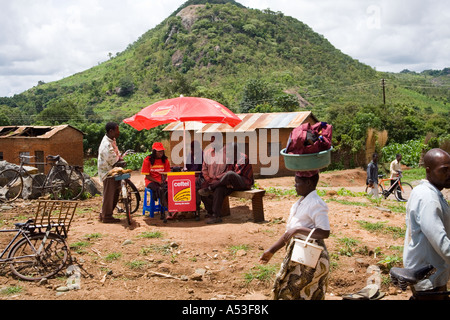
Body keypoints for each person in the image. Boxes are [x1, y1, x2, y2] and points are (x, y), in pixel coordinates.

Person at [260, 173, 330, 300]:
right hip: (299, 254)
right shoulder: (300, 203)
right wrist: (271, 251)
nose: (295, 185)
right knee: (293, 292)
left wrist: (298, 229)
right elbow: (289, 233)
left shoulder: (316, 203)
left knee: (290, 292)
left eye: (297, 182)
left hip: (311, 258)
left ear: (308, 183)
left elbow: (324, 232)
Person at [403, 148, 450, 300]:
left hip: (429, 269)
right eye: (444, 170)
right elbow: (439, 239)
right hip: (429, 274)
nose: (449, 174)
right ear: (429, 171)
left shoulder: (424, 191)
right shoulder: (429, 198)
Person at [200, 142, 254, 224]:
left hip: (243, 183)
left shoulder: (243, 158)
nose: (227, 154)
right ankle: (216, 215)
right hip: (232, 184)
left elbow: (235, 173)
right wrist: (218, 180)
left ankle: (211, 187)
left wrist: (222, 181)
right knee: (219, 189)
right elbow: (225, 173)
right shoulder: (229, 159)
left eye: (228, 152)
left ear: (235, 151)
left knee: (230, 174)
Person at [97, 122, 124, 223]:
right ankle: (106, 216)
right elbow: (113, 160)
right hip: (108, 172)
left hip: (112, 170)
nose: (118, 132)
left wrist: (120, 157)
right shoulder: (106, 144)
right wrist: (120, 161)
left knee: (114, 193)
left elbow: (116, 153)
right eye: (117, 130)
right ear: (111, 131)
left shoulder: (112, 140)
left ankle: (103, 214)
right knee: (110, 195)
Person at [141, 142, 171, 209]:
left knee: (169, 189)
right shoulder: (147, 160)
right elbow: (147, 176)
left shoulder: (165, 160)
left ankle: (170, 206)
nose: (161, 153)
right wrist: (157, 181)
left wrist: (162, 180)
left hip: (161, 180)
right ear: (154, 152)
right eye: (159, 152)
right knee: (160, 189)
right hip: (151, 181)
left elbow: (166, 173)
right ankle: (166, 207)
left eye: (162, 151)